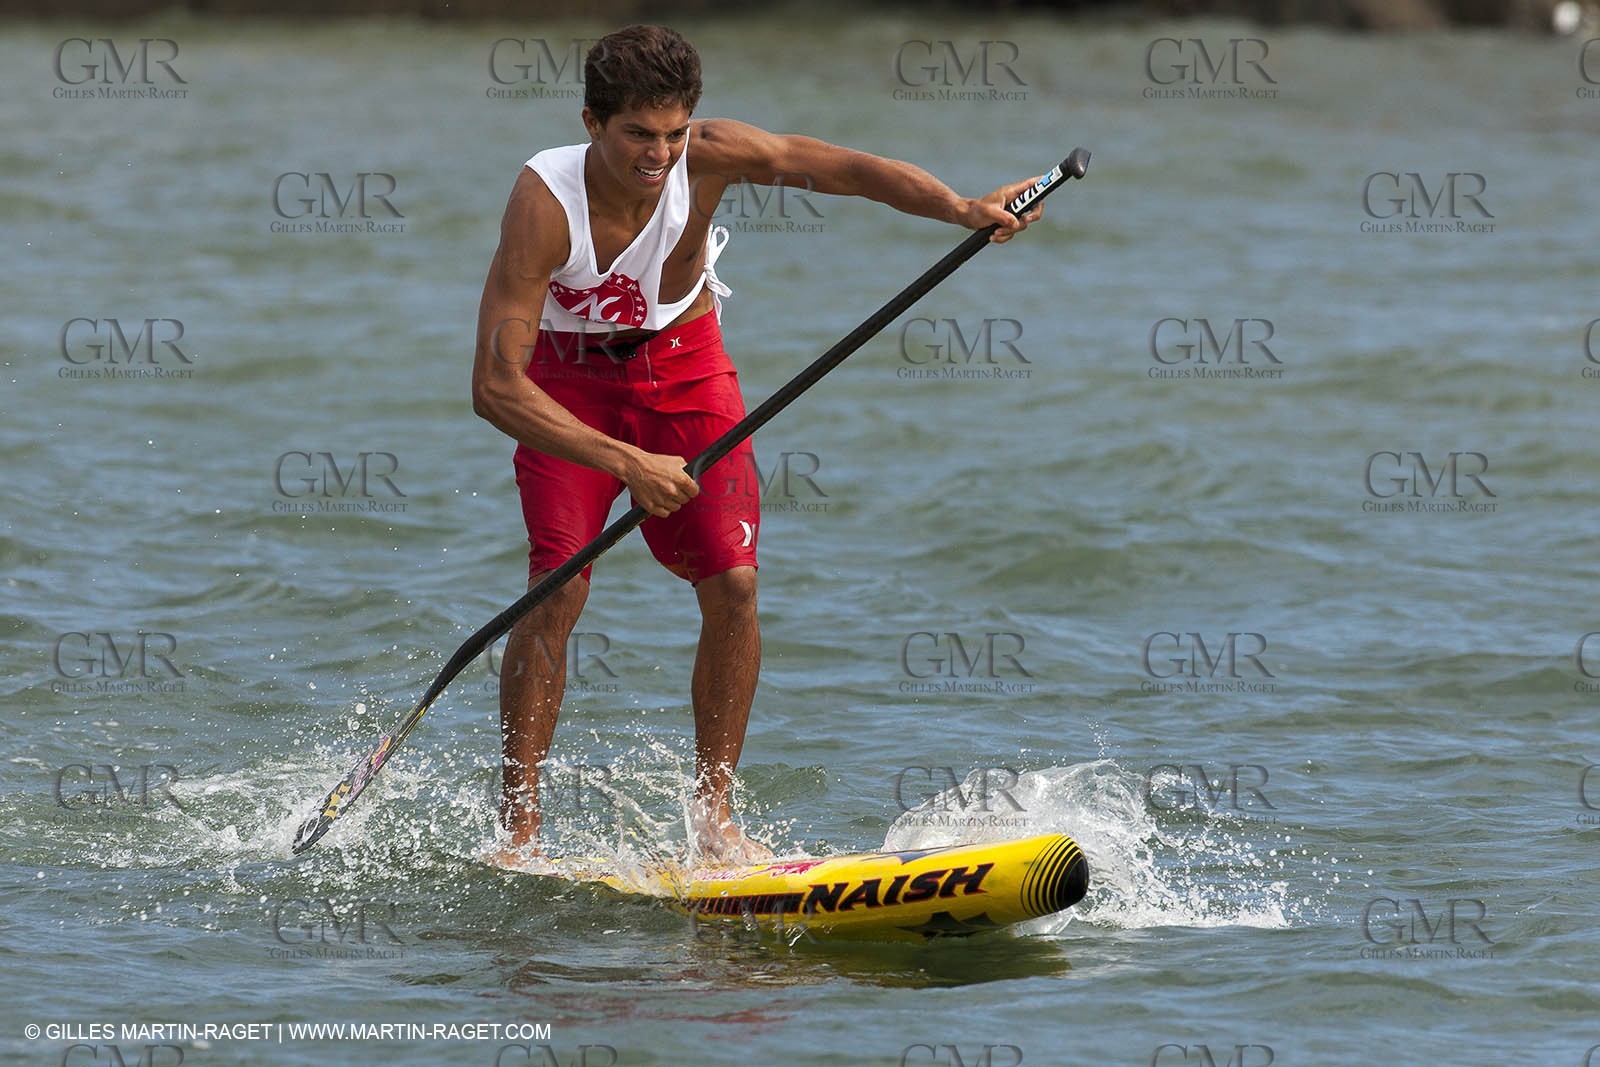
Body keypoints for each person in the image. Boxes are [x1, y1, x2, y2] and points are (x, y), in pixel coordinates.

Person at [472, 24, 1043, 866]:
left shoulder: (710, 155)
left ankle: (714, 819)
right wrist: (629, 464)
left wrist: (960, 208)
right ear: (592, 121)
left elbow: (844, 169)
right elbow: (494, 387)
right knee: (557, 585)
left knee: (735, 581)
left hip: (685, 364)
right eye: (637, 134)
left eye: (673, 132)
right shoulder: (544, 204)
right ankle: (520, 828)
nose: (658, 155)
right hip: (564, 379)